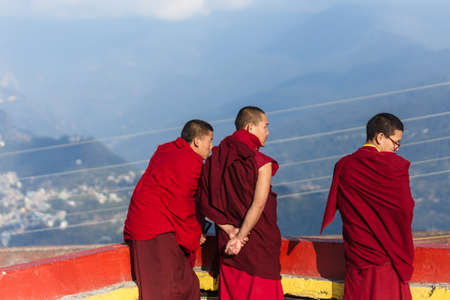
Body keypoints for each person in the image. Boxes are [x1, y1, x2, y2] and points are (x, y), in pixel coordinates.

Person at [320, 113, 415, 300]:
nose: (397, 148)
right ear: (380, 137)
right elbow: (405, 210)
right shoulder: (393, 166)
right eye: (396, 142)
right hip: (387, 258)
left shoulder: (344, 165)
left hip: (358, 254)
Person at [198, 106, 284, 300]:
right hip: (256, 243)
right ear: (250, 127)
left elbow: (206, 202)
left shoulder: (214, 160)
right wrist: (240, 237)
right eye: (265, 126)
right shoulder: (261, 162)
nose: (268, 132)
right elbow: (259, 205)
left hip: (228, 245)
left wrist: (230, 231)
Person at [123, 119, 214, 300]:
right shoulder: (191, 161)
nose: (211, 146)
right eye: (210, 140)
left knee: (182, 283)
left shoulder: (166, 150)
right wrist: (195, 232)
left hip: (148, 220)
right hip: (155, 226)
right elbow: (182, 203)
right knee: (166, 288)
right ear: (197, 141)